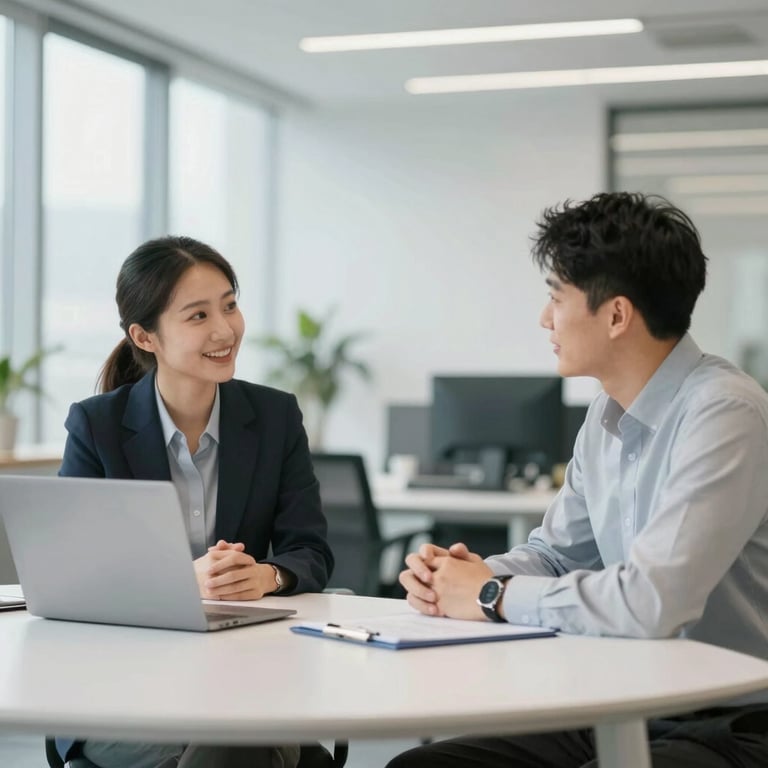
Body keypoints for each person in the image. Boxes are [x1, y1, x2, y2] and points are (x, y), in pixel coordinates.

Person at [389, 192, 768, 768]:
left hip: (731, 719)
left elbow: (652, 603)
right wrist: (464, 577)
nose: (545, 318)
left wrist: (490, 597)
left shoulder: (726, 413)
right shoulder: (605, 413)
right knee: (423, 766)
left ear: (616, 315)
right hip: (628, 701)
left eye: (556, 297)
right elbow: (558, 554)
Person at [56, 235, 334, 768]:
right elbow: (78, 578)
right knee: (229, 746)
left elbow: (311, 551)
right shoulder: (97, 427)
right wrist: (186, 581)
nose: (224, 330)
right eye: (198, 315)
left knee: (232, 739)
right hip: (128, 688)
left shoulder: (274, 417)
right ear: (145, 335)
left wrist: (268, 576)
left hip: (245, 677)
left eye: (230, 305)